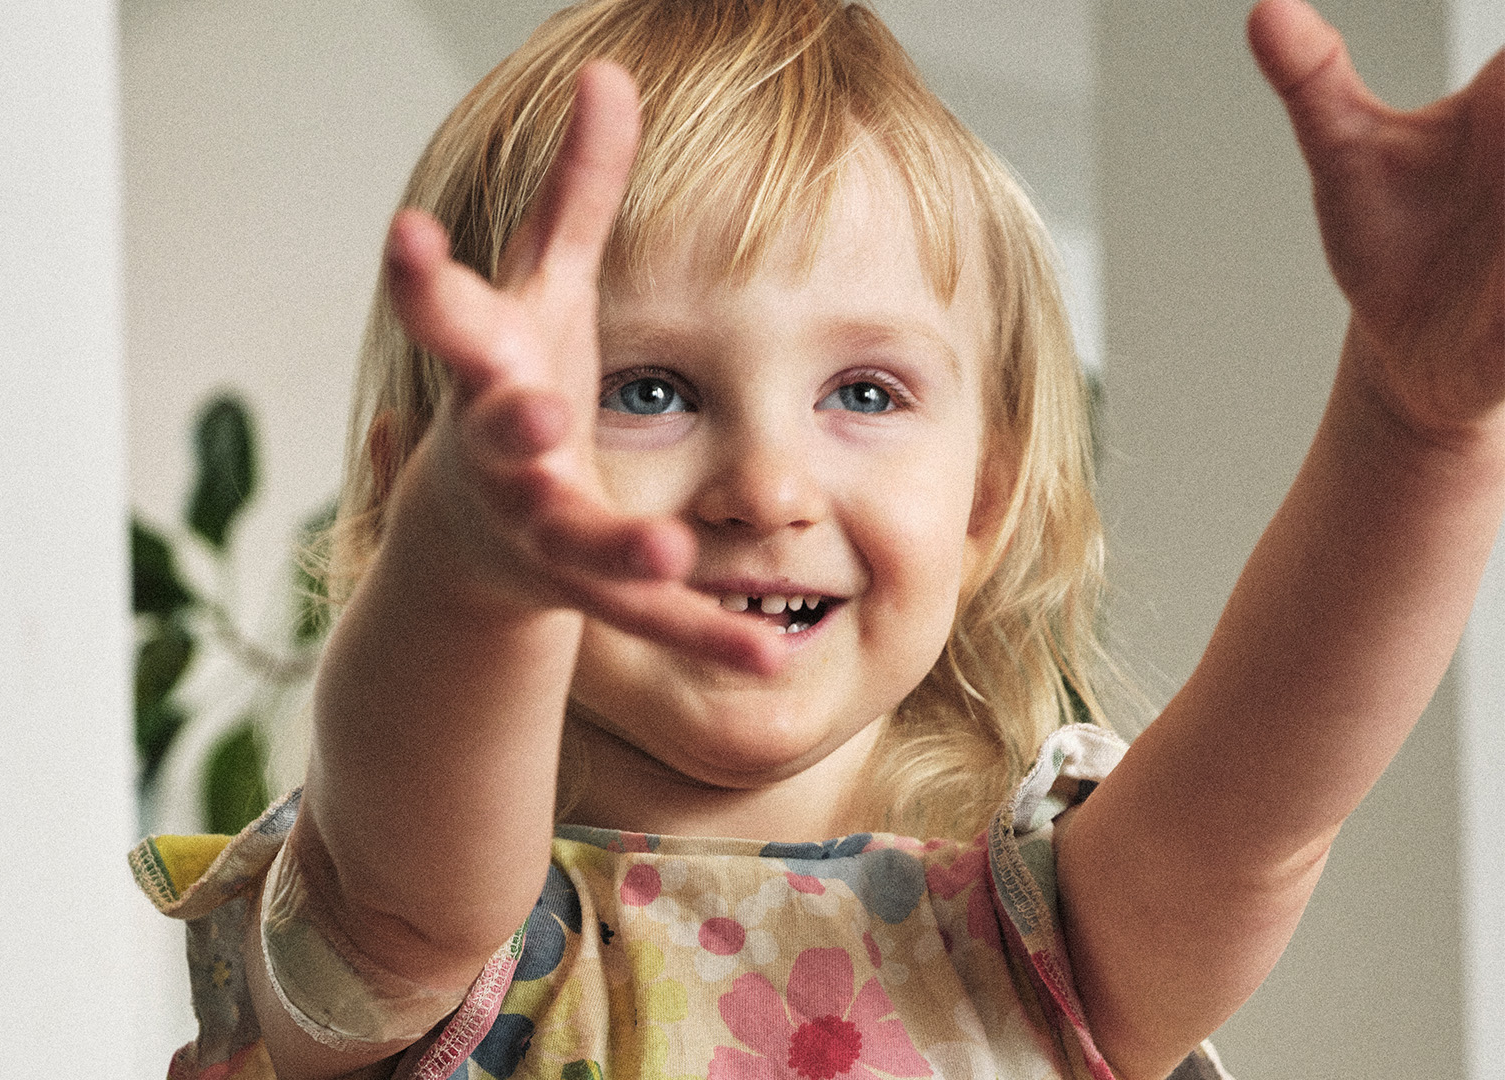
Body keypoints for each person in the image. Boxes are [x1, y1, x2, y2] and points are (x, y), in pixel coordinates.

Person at [129, 1, 1505, 1077]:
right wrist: (468, 572)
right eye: (645, 391)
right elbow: (407, 876)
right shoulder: (417, 934)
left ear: (983, 506)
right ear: (412, 497)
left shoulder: (1054, 943)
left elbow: (1270, 806)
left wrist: (1418, 424)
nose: (767, 486)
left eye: (864, 393)